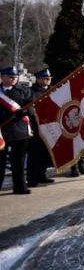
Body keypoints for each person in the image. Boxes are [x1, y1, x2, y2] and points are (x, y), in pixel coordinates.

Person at [0, 66, 34, 194]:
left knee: (18, 161)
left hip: (19, 129)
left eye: (15, 77)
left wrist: (25, 111)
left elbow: (31, 107)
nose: (13, 79)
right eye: (10, 77)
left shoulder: (24, 91)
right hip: (1, 131)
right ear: (2, 77)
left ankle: (20, 187)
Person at [27, 69, 57, 185]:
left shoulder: (53, 90)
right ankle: (32, 178)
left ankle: (41, 175)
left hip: (50, 126)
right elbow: (30, 109)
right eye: (45, 78)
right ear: (38, 79)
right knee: (34, 154)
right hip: (36, 126)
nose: (48, 80)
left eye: (49, 78)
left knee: (45, 153)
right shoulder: (32, 92)